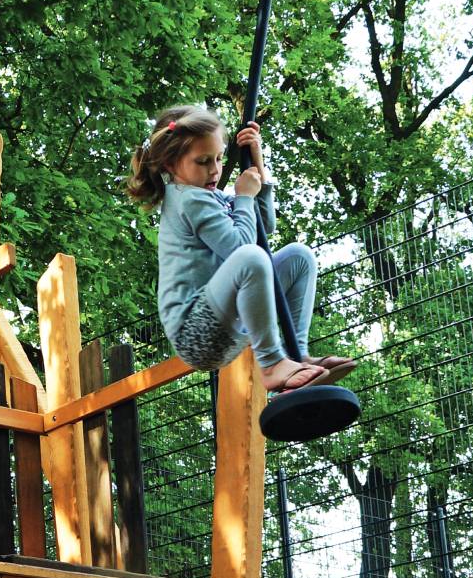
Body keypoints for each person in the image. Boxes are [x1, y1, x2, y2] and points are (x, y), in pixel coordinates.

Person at [126, 105, 356, 391]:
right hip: (196, 332)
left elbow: (264, 227)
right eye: (203, 161)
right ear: (171, 164)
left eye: (220, 158)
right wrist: (244, 197)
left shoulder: (210, 196)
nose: (215, 169)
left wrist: (256, 161)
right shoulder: (188, 200)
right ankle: (272, 364)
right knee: (250, 257)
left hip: (229, 322)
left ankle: (296, 355)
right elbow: (244, 248)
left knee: (300, 257)